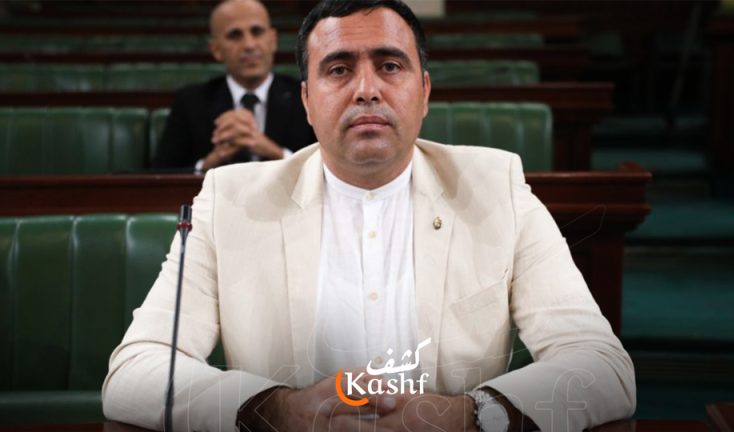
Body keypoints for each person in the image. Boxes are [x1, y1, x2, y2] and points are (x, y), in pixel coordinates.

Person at [103, 1, 636, 431]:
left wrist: (466, 417)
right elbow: (136, 371)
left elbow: (601, 365)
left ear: (424, 92)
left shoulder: (498, 189)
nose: (366, 89)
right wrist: (277, 411)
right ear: (306, 101)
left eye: (390, 65)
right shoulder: (230, 201)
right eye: (339, 69)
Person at [151, 0, 316, 173]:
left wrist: (276, 153)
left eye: (257, 32)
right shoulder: (190, 102)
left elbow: (325, 168)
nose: (249, 45)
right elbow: (160, 175)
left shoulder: (306, 97)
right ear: (216, 49)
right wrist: (210, 163)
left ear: (272, 40)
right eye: (235, 35)